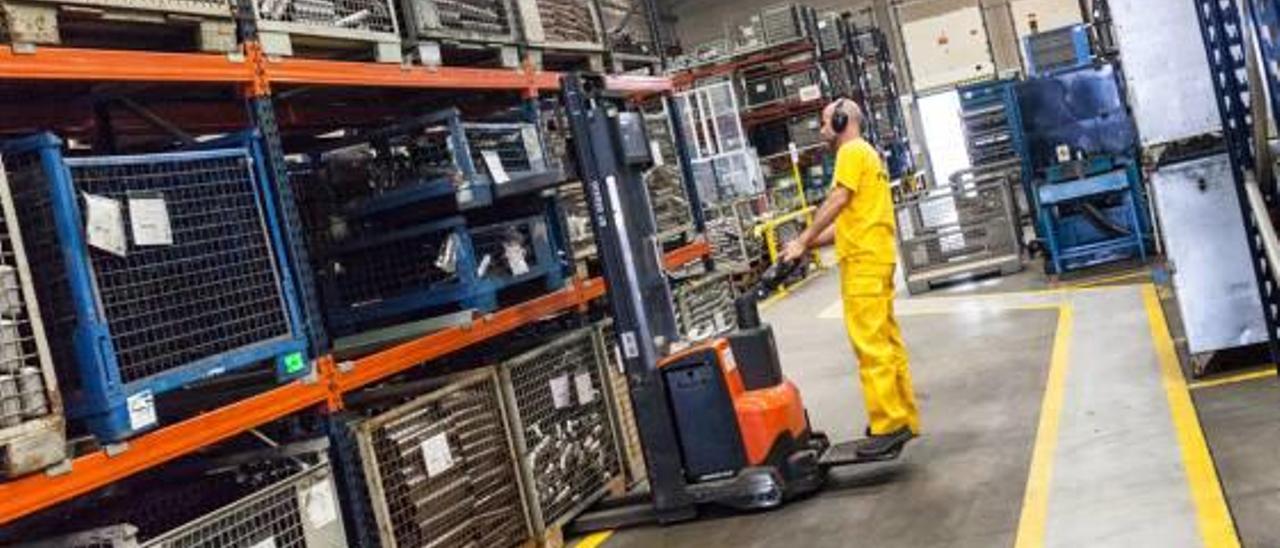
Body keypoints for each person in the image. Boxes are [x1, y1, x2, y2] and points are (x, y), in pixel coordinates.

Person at [780, 98, 919, 458]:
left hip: (863, 263)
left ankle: (888, 424)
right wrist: (805, 247)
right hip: (876, 256)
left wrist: (802, 239)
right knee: (886, 340)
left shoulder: (850, 152)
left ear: (843, 122)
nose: (822, 130)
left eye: (826, 123)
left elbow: (838, 201)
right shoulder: (866, 154)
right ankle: (902, 416)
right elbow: (849, 219)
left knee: (869, 344)